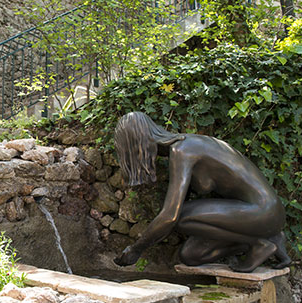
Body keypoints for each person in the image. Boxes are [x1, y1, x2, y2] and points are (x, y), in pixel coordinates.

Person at [113, 111, 291, 272]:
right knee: (190, 256)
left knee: (181, 218)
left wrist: (136, 249)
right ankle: (270, 240)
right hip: (253, 215)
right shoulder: (183, 148)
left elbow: (170, 216)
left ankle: (258, 244)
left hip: (265, 210)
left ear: (137, 143)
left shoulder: (183, 150)